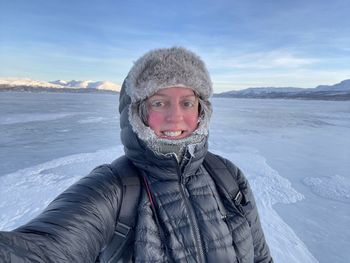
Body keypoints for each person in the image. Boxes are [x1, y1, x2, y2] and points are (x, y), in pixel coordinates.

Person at [0, 47, 273, 262]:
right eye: (159, 102)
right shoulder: (113, 188)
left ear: (201, 111)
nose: (175, 116)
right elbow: (46, 250)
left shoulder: (228, 177)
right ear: (136, 114)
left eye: (187, 103)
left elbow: (261, 257)